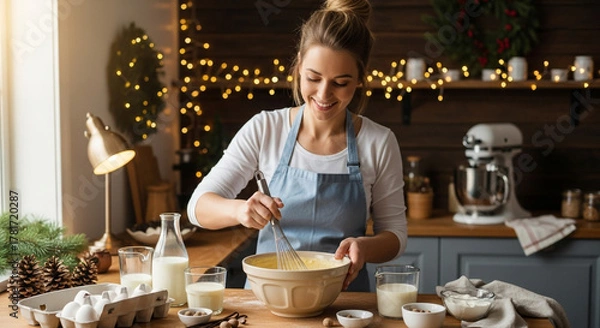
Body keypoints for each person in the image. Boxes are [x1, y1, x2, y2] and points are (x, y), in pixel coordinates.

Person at [187, 0, 407, 292]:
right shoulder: (265, 129)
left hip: (344, 304)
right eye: (313, 78)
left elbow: (395, 235)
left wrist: (365, 248)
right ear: (299, 66)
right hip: (269, 300)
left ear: (359, 80)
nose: (324, 94)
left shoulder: (379, 142)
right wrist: (240, 211)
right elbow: (197, 207)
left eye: (341, 83)